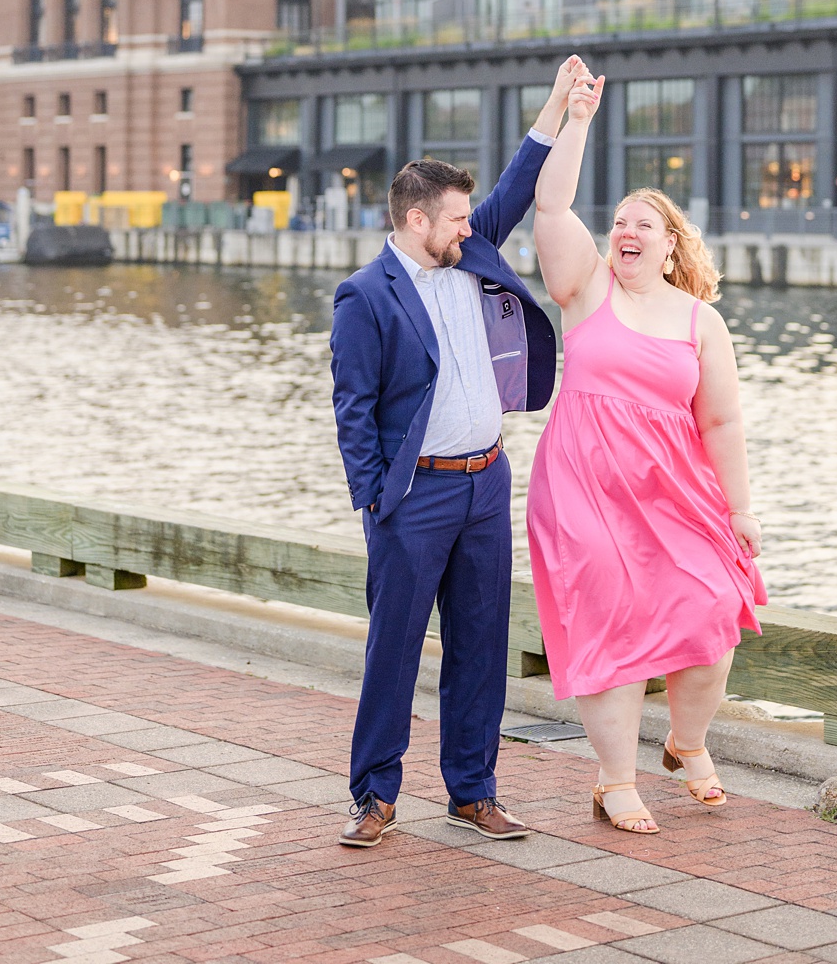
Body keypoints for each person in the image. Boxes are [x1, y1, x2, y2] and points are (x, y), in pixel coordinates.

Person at [328, 57, 584, 849]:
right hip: (416, 497)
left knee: (480, 646)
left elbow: (515, 182)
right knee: (393, 653)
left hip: (485, 485)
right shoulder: (365, 296)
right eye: (456, 219)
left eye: (472, 217)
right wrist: (378, 500)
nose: (472, 226)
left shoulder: (470, 253)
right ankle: (374, 797)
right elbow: (354, 411)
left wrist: (555, 108)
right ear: (414, 221)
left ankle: (472, 792)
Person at [526, 72, 766, 835]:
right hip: (583, 486)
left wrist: (741, 511)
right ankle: (613, 778)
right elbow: (552, 204)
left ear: (669, 247)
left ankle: (685, 743)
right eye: (619, 221)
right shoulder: (589, 291)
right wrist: (577, 118)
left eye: (643, 225)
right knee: (608, 621)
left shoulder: (701, 322)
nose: (625, 230)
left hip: (676, 492)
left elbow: (722, 424)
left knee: (713, 615)